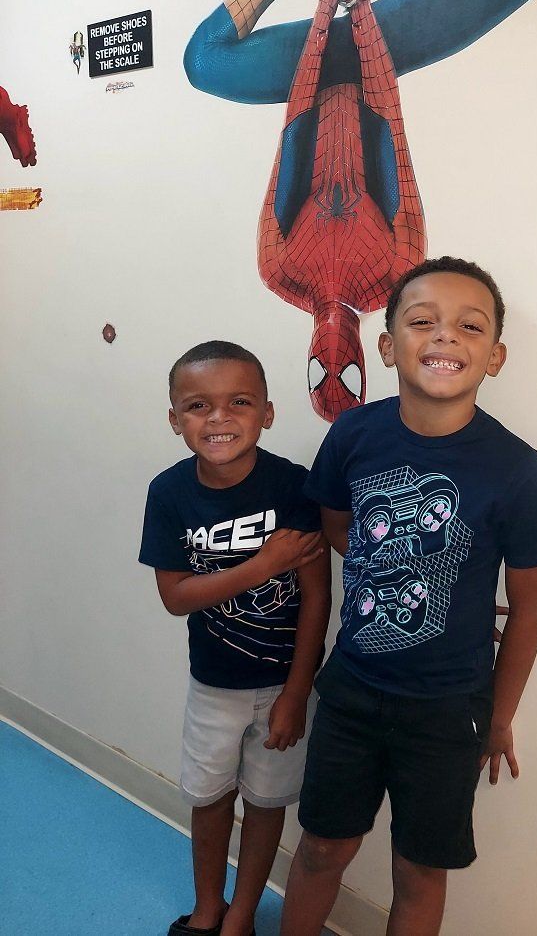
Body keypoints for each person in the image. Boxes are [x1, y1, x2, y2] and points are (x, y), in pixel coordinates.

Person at [183, 0, 537, 422]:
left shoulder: (280, 271)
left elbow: (296, 126)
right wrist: (357, 8)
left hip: (308, 61)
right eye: (348, 375)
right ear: (370, 360)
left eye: (321, 374)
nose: (334, 360)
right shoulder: (395, 273)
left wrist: (324, 3)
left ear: (305, 366)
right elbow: (387, 121)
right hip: (378, 48)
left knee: (203, 62)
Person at [280, 257, 537, 935]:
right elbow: (339, 526)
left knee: (418, 871)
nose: (445, 336)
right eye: (422, 321)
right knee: (322, 848)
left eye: (470, 326)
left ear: (494, 356)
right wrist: (405, 566)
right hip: (352, 691)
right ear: (388, 347)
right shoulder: (353, 434)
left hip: (448, 711)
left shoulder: (518, 470)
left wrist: (499, 717)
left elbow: (529, 608)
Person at [139, 341, 331, 936]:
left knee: (267, 804)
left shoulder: (295, 488)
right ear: (175, 420)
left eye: (239, 402)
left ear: (267, 413)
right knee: (209, 799)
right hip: (213, 686)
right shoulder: (168, 493)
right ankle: (207, 909)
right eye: (198, 405)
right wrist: (262, 565)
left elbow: (317, 599)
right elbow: (176, 597)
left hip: (284, 686)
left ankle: (241, 916)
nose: (219, 417)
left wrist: (296, 693)